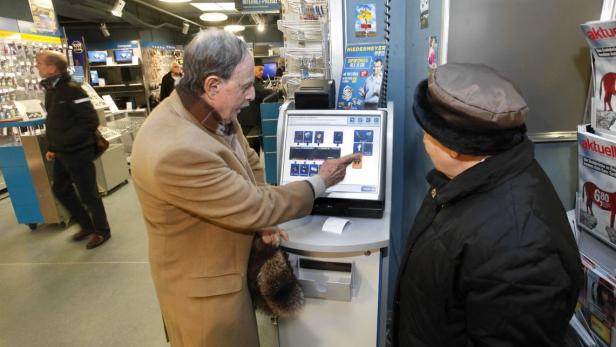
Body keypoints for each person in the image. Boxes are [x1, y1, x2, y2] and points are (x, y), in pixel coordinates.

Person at [130, 29, 360, 347]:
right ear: (212, 85)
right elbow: (255, 204)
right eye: (246, 86)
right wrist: (320, 182)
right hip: (204, 297)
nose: (253, 95)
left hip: (228, 269)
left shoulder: (210, 112)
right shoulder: (177, 150)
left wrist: (262, 219)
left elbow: (248, 161)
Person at [392, 63, 583, 346]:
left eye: (429, 133)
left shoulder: (520, 249)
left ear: (454, 145)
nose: (423, 140)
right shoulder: (471, 176)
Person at [37, 51, 111, 249]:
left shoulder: (73, 90)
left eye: (40, 64)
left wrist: (66, 141)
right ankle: (87, 225)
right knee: (61, 189)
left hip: (78, 151)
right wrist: (53, 146)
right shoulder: (51, 90)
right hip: (62, 151)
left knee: (89, 194)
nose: (38, 67)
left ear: (52, 68)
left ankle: (102, 231)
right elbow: (54, 121)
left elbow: (90, 121)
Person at [238, 65, 275, 155]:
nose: (261, 72)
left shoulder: (254, 79)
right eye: (259, 69)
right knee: (252, 146)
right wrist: (274, 91)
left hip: (249, 117)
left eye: (263, 70)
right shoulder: (250, 80)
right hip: (248, 119)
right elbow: (261, 92)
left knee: (253, 145)